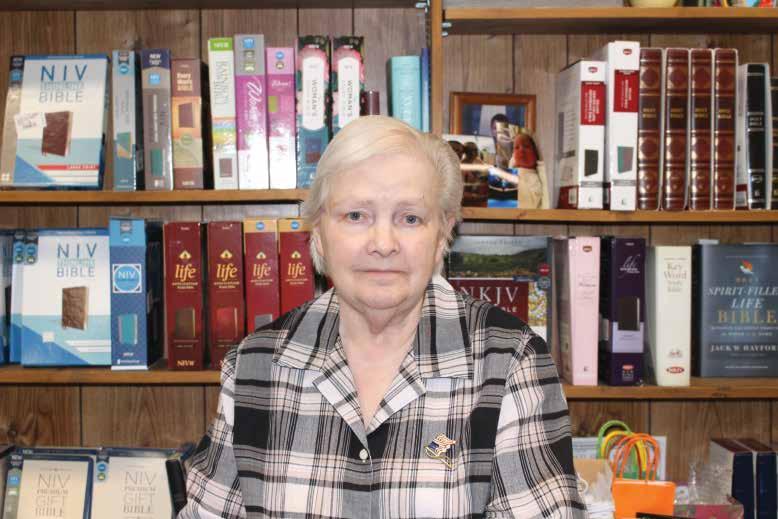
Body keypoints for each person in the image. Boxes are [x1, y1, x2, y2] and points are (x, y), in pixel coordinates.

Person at [178, 116, 585, 519]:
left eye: (410, 218)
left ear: (442, 235)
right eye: (356, 216)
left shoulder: (510, 361)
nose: (384, 244)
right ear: (318, 231)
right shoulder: (254, 366)